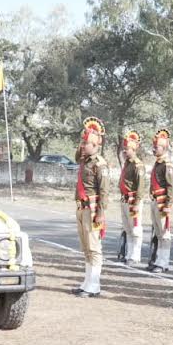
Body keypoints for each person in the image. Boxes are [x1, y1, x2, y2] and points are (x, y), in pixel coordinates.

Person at [73, 117, 110, 298]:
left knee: (94, 248)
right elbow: (76, 156)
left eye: (86, 143)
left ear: (95, 146)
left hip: (93, 209)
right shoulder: (84, 160)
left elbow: (104, 191)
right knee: (86, 247)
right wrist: (81, 145)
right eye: (82, 142)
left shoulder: (99, 164)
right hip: (81, 207)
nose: (82, 146)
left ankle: (94, 285)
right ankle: (87, 282)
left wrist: (101, 214)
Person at [119, 130, 147, 266]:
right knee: (128, 228)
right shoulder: (127, 163)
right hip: (124, 200)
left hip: (133, 200)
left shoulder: (137, 165)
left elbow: (141, 186)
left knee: (135, 229)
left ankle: (135, 255)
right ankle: (129, 254)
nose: (125, 151)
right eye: (124, 148)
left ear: (134, 149)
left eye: (127, 149)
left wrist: (137, 202)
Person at [148, 129, 173, 273]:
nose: (153, 149)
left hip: (162, 202)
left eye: (156, 147)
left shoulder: (167, 164)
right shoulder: (158, 163)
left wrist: (168, 204)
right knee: (158, 233)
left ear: (164, 148)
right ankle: (158, 259)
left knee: (164, 234)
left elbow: (170, 186)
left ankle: (164, 262)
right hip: (154, 200)